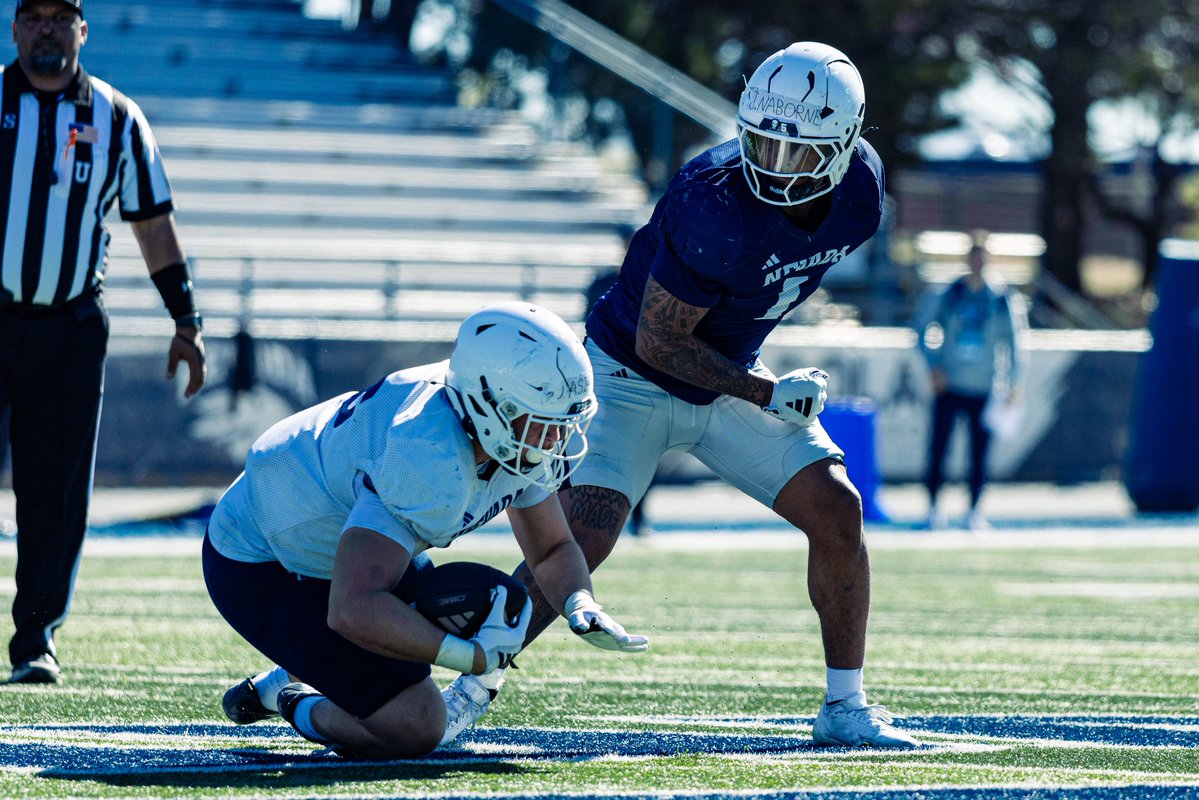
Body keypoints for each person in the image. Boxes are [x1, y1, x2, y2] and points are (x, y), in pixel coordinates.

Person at [442, 42, 918, 748]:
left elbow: (763, 286)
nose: (774, 167)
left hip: (725, 373)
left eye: (799, 154)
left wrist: (756, 377)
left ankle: (843, 705)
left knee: (836, 508)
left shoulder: (859, 197)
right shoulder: (711, 201)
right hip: (629, 375)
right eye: (762, 143)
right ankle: (469, 689)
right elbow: (660, 343)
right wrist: (764, 387)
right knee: (585, 537)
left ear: (845, 145)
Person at [204, 302, 647, 759]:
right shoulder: (426, 455)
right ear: (492, 405)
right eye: (543, 422)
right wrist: (470, 658)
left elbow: (552, 548)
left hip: (336, 541)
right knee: (415, 725)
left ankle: (299, 669)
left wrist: (580, 601)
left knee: (493, 609)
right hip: (267, 561)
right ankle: (292, 698)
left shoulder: (491, 417)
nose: (557, 439)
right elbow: (353, 608)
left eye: (563, 422)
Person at [1, 0, 206, 684]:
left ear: (83, 31)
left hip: (68, 327)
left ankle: (36, 638)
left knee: (56, 491)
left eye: (63, 17)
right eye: (34, 16)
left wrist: (186, 320)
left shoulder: (117, 116)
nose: (48, 29)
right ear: (15, 29)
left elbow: (151, 222)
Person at [917, 234, 1025, 531]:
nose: (978, 263)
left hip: (984, 386)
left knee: (979, 453)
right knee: (939, 448)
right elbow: (921, 327)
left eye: (983, 257)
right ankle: (934, 507)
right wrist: (933, 366)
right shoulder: (951, 293)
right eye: (974, 257)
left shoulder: (1001, 298)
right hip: (950, 384)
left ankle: (974, 510)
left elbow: (1015, 343)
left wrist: (1014, 381)